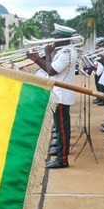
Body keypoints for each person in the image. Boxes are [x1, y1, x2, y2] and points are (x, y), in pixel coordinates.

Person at [27, 23, 78, 169]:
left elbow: (51, 70)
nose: (53, 39)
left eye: (56, 37)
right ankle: (61, 154)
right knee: (61, 128)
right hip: (58, 93)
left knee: (62, 129)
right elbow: (49, 68)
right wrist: (37, 59)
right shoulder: (62, 51)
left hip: (62, 94)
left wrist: (45, 54)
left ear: (64, 38)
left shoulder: (67, 53)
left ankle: (62, 159)